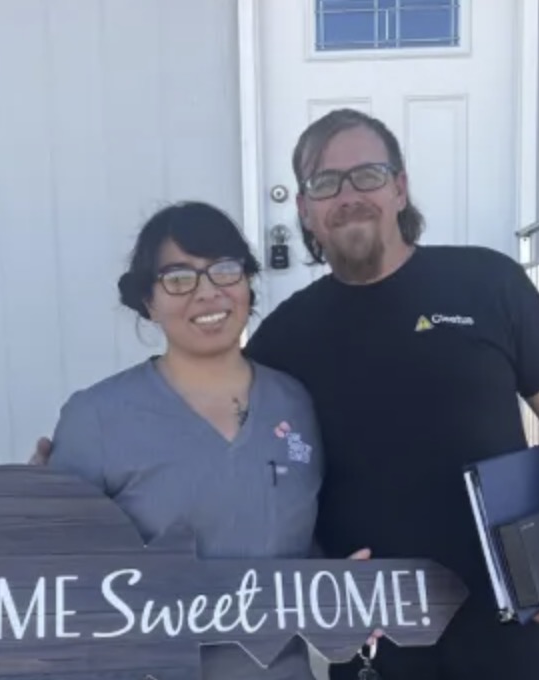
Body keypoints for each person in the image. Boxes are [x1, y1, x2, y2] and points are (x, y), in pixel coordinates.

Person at [34, 109, 539, 679]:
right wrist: (51, 494)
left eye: (367, 174)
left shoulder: (489, 284)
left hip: (513, 621)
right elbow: (223, 459)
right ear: (307, 211)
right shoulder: (286, 339)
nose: (348, 195)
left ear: (400, 188)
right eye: (324, 183)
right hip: (376, 638)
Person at [41, 200, 351, 680]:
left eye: (225, 271)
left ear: (247, 282)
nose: (208, 293)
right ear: (149, 301)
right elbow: (56, 574)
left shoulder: (295, 403)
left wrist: (357, 592)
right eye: (179, 278)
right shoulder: (97, 417)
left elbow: (305, 548)